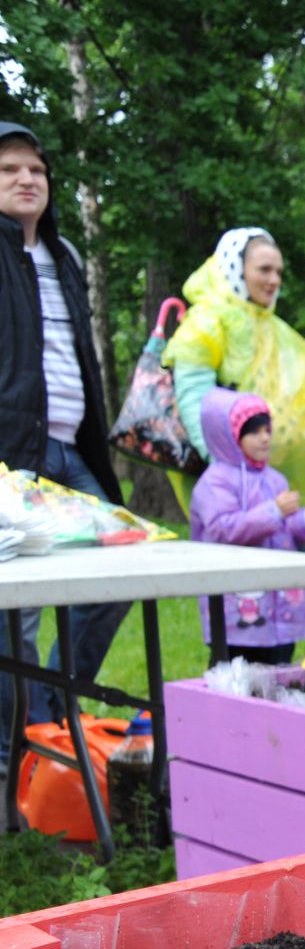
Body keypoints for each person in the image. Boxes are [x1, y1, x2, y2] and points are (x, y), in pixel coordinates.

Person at [0, 122, 128, 758]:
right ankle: (15, 749)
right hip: (8, 461)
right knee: (13, 612)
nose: (27, 180)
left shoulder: (66, 257)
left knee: (125, 569)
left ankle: (53, 708)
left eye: (37, 171)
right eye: (9, 171)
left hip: (71, 453)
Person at [165, 228, 305, 539]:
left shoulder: (270, 326)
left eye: (278, 272)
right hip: (234, 488)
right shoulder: (206, 322)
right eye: (264, 270)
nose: (274, 280)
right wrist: (231, 470)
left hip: (271, 479)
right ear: (235, 267)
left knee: (290, 575)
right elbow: (196, 404)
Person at [188, 389, 305, 664]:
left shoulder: (274, 479)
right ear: (228, 437)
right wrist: (274, 511)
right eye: (253, 432)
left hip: (280, 603)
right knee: (236, 670)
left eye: (267, 429)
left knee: (277, 666)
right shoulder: (215, 482)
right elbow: (221, 530)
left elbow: (286, 529)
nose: (265, 438)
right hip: (236, 608)